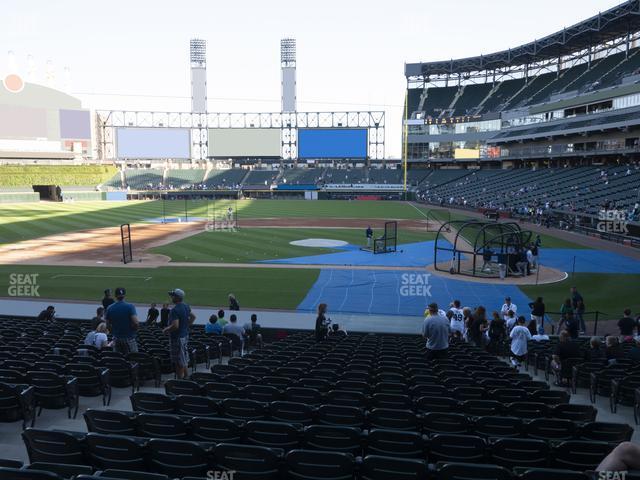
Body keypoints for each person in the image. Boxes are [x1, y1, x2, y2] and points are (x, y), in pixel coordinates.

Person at [163, 288, 195, 379]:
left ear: (177, 297)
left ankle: (180, 381)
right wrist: (186, 326)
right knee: (183, 358)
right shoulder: (186, 306)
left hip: (177, 338)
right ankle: (186, 377)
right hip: (184, 335)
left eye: (173, 295)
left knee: (179, 361)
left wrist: (166, 330)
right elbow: (193, 317)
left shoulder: (175, 310)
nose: (171, 297)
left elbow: (175, 326)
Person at [105, 287, 139, 354]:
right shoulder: (130, 306)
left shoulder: (110, 308)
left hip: (116, 338)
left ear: (115, 296)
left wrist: (114, 332)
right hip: (129, 338)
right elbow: (136, 323)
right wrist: (134, 330)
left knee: (118, 360)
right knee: (133, 359)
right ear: (124, 295)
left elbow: (107, 325)